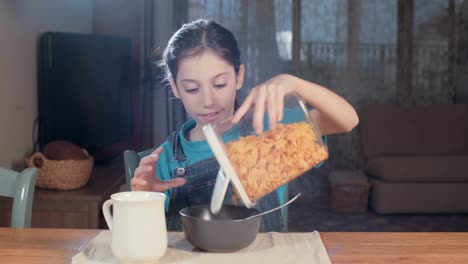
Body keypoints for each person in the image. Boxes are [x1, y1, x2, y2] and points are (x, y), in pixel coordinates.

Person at [131, 19, 359, 232]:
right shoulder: (165, 158)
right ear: (175, 88)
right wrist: (141, 199)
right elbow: (144, 238)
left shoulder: (269, 129)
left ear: (239, 76)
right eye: (192, 88)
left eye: (220, 84)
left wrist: (293, 83)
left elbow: (347, 120)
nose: (208, 100)